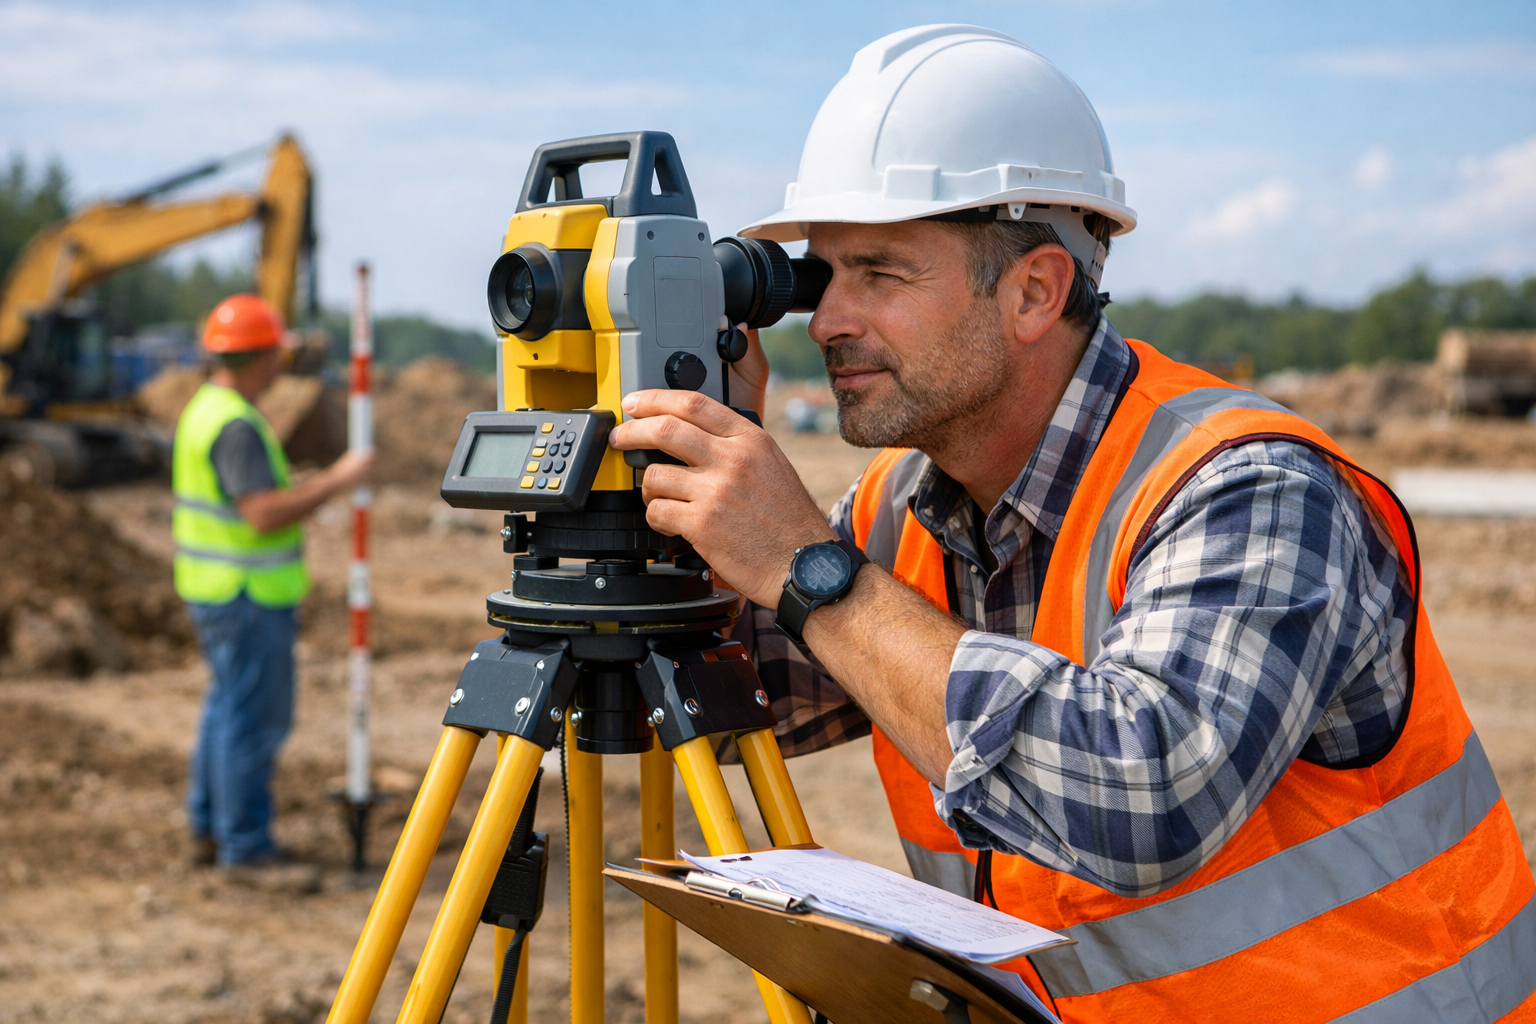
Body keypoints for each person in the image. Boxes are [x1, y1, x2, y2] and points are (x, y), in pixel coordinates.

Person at [607, 25, 1535, 1023]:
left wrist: (805, 564)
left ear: (1035, 291)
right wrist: (684, 492)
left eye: (879, 272)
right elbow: (727, 702)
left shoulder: (1249, 487)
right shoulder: (899, 509)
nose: (826, 319)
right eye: (819, 275)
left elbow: (1141, 798)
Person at [173, 293, 372, 875]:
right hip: (246, 594)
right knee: (252, 720)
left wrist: (303, 484)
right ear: (261, 357)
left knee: (225, 710)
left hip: (216, 587)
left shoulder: (206, 408)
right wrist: (337, 480)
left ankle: (210, 828)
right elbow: (261, 513)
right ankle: (246, 847)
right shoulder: (235, 423)